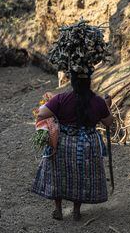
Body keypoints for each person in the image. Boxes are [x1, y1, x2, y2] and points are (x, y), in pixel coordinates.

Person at [32, 71, 114, 221]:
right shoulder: (98, 102)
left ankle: (58, 209)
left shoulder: (62, 98)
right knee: (81, 176)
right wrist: (107, 106)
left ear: (73, 83)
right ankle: (76, 210)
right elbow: (108, 122)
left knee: (58, 174)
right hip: (88, 145)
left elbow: (41, 113)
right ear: (89, 82)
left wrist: (54, 114)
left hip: (64, 142)